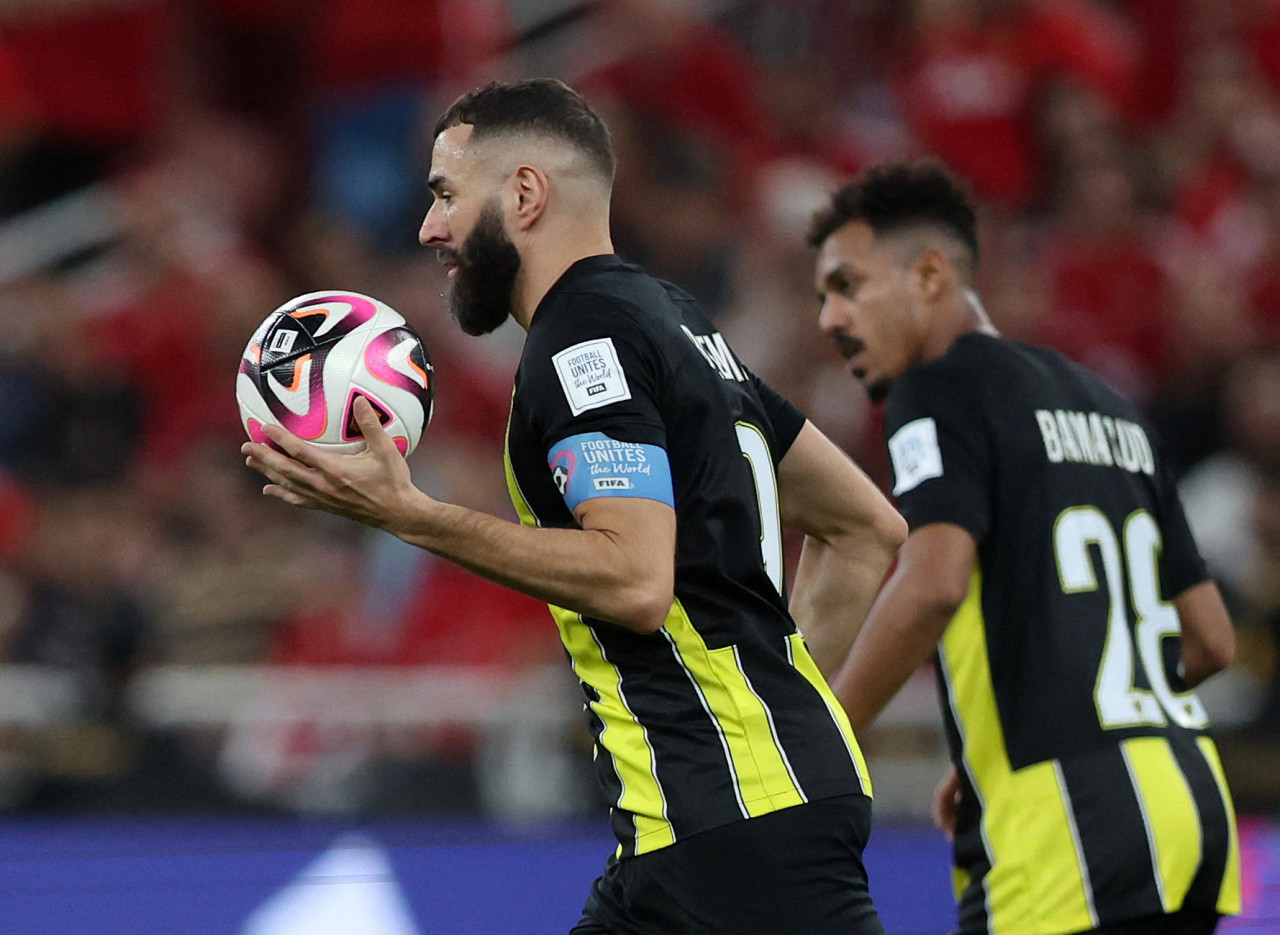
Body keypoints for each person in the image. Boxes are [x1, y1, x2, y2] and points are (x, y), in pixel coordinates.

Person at [242, 78, 905, 935]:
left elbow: (635, 578)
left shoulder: (585, 337)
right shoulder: (673, 320)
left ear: (524, 193)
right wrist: (787, 736)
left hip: (727, 828)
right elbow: (864, 528)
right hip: (704, 819)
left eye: (445, 193)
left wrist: (413, 516)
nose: (427, 227)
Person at [809, 161, 1241, 935]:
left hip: (1066, 828)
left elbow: (933, 581)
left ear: (931, 275)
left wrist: (823, 741)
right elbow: (1211, 637)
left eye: (848, 285)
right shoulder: (1112, 406)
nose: (829, 319)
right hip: (1189, 810)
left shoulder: (937, 388)